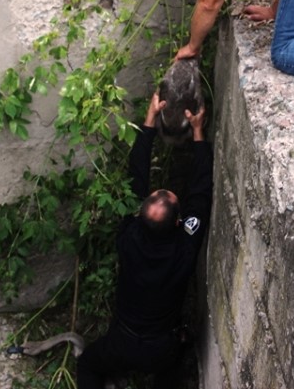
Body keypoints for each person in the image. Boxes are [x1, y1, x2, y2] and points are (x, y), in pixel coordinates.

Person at [76, 92, 212, 389]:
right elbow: (200, 193)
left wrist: (150, 118)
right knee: (169, 374)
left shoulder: (128, 236)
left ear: (138, 214)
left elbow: (136, 176)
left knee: (86, 365)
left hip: (121, 340)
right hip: (160, 348)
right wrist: (199, 133)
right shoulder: (185, 247)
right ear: (179, 223)